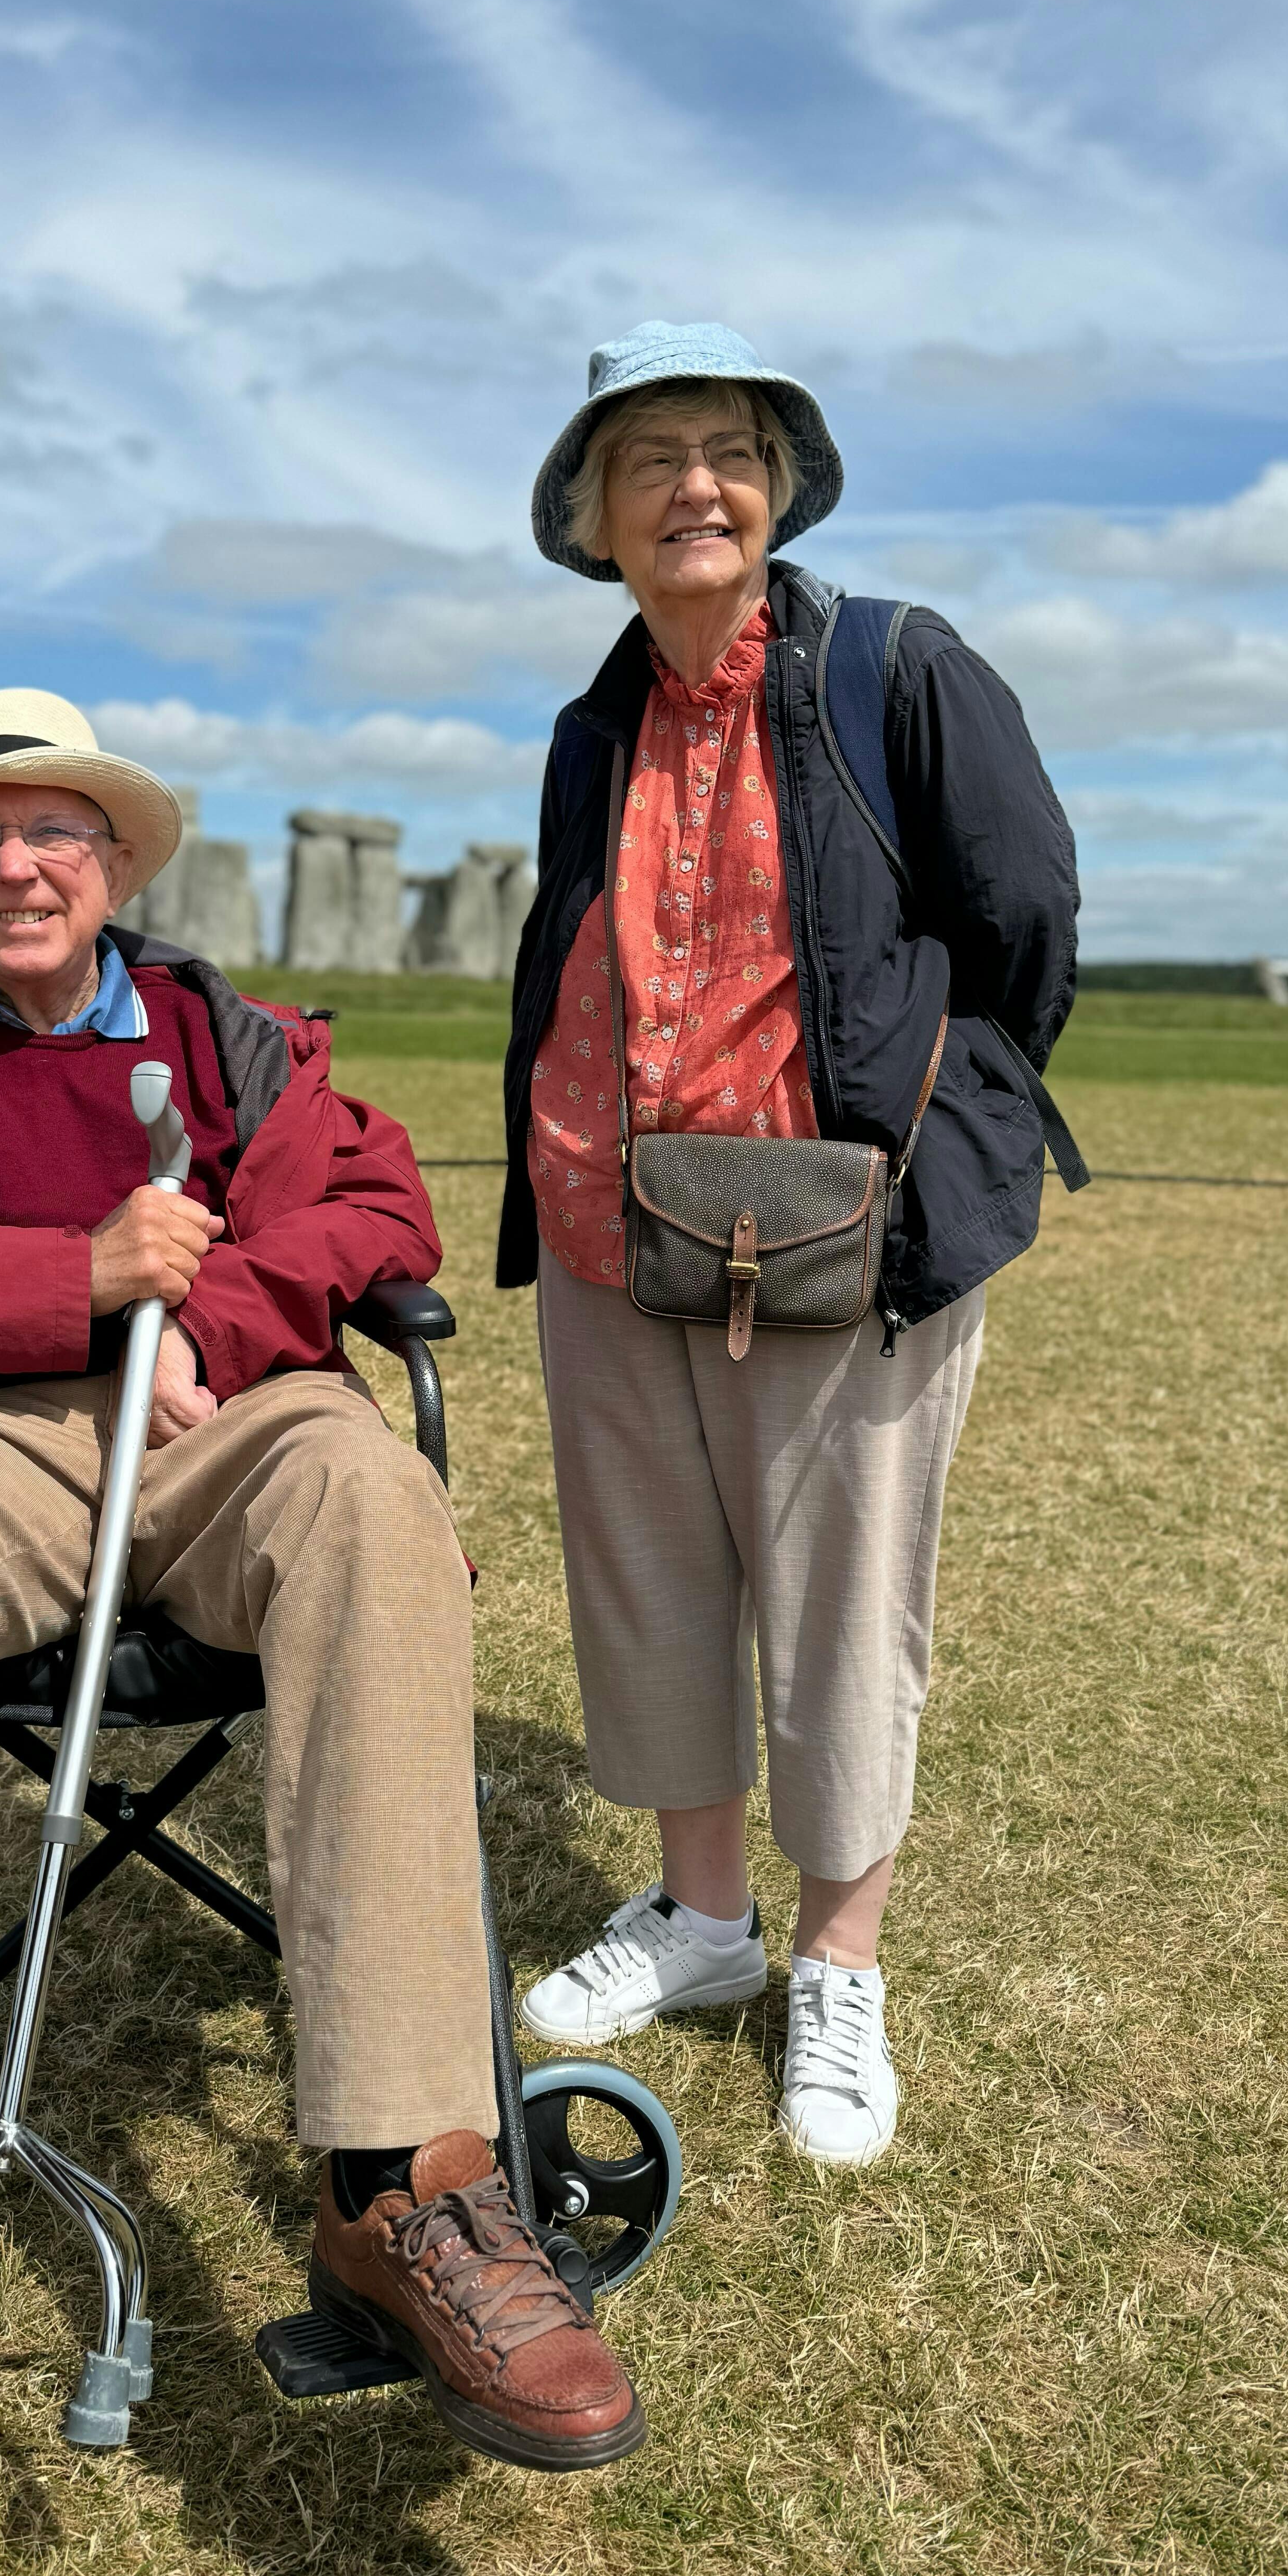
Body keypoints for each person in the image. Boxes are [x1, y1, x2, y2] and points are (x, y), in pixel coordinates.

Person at [0, 687, 643, 2531]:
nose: (15, 862)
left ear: (120, 859)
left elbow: (375, 1208)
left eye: (56, 829)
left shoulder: (228, 1035)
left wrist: (220, 1318)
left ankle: (405, 2182)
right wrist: (54, 1281)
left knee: (378, 1507)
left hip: (231, 1423)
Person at [502, 324, 1079, 2170]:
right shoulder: (592, 722)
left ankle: (838, 1957)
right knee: (651, 1585)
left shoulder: (897, 667)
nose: (696, 486)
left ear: (776, 491)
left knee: (841, 1603)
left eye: (730, 450)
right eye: (651, 457)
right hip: (610, 1213)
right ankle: (703, 1925)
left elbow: (1027, 915)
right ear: (593, 517)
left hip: (841, 1227)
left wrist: (937, 1128)